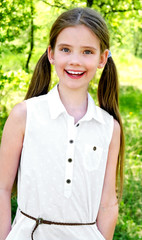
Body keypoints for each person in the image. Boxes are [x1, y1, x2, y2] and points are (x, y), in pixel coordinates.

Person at [0, 7, 124, 240]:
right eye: (66, 49)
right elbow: (2, 188)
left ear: (102, 58)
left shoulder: (109, 128)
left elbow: (108, 204)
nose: (75, 61)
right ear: (51, 54)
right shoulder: (24, 115)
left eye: (87, 51)